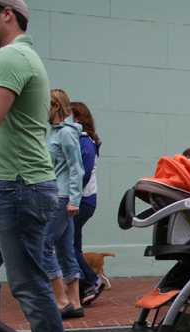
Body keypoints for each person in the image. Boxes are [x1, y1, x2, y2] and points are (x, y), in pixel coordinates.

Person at [0, 0, 73, 332]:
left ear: (5, 13)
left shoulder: (11, 55)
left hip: (18, 186)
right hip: (2, 184)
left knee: (28, 283)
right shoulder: (13, 58)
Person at [43, 89, 85, 318]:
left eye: (45, 104)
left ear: (56, 106)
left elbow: (76, 168)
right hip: (60, 196)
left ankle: (61, 302)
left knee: (43, 246)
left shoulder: (66, 134)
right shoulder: (56, 133)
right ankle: (75, 304)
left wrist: (74, 199)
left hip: (62, 198)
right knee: (65, 249)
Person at [70, 101, 104, 305]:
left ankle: (91, 281)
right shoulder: (84, 141)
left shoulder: (84, 142)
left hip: (82, 201)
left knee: (66, 244)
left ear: (77, 119)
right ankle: (84, 287)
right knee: (72, 244)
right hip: (83, 200)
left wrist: (71, 197)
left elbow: (82, 172)